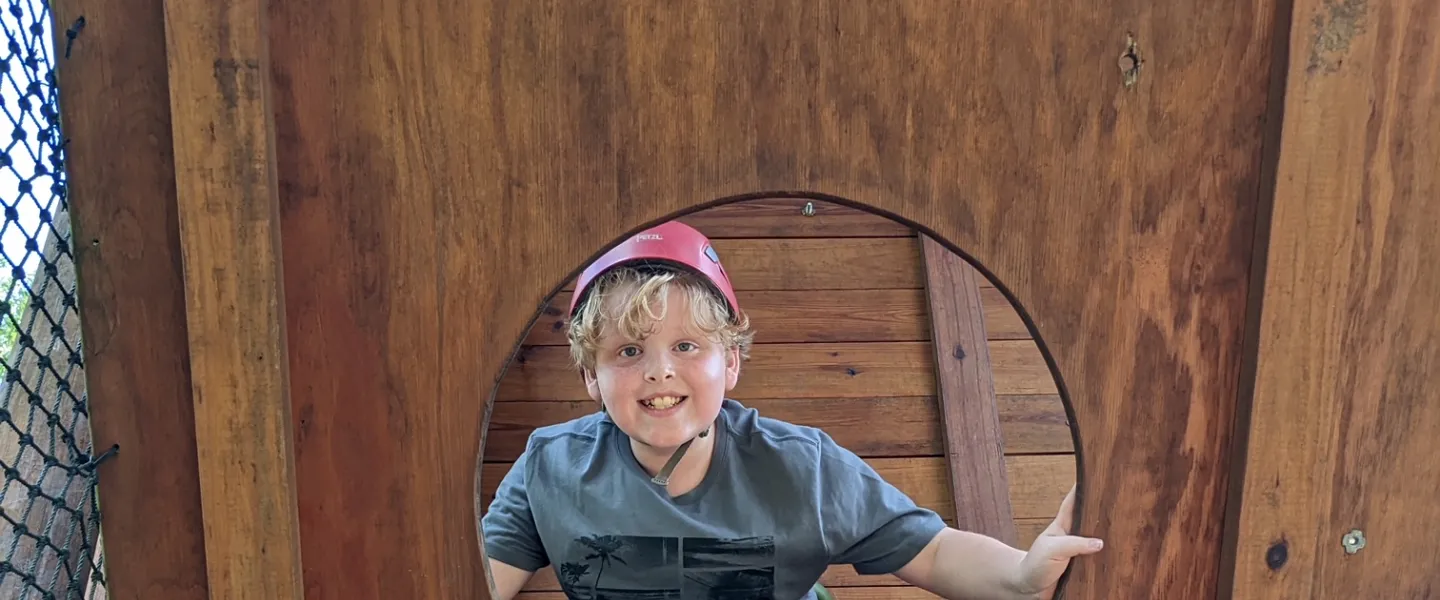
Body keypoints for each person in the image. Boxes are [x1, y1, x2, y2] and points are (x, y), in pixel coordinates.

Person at [481, 220, 1103, 600]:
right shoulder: (549, 469)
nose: (659, 369)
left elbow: (934, 553)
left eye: (688, 346)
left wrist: (1023, 578)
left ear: (732, 364)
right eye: (628, 350)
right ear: (591, 375)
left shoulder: (801, 466)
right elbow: (478, 579)